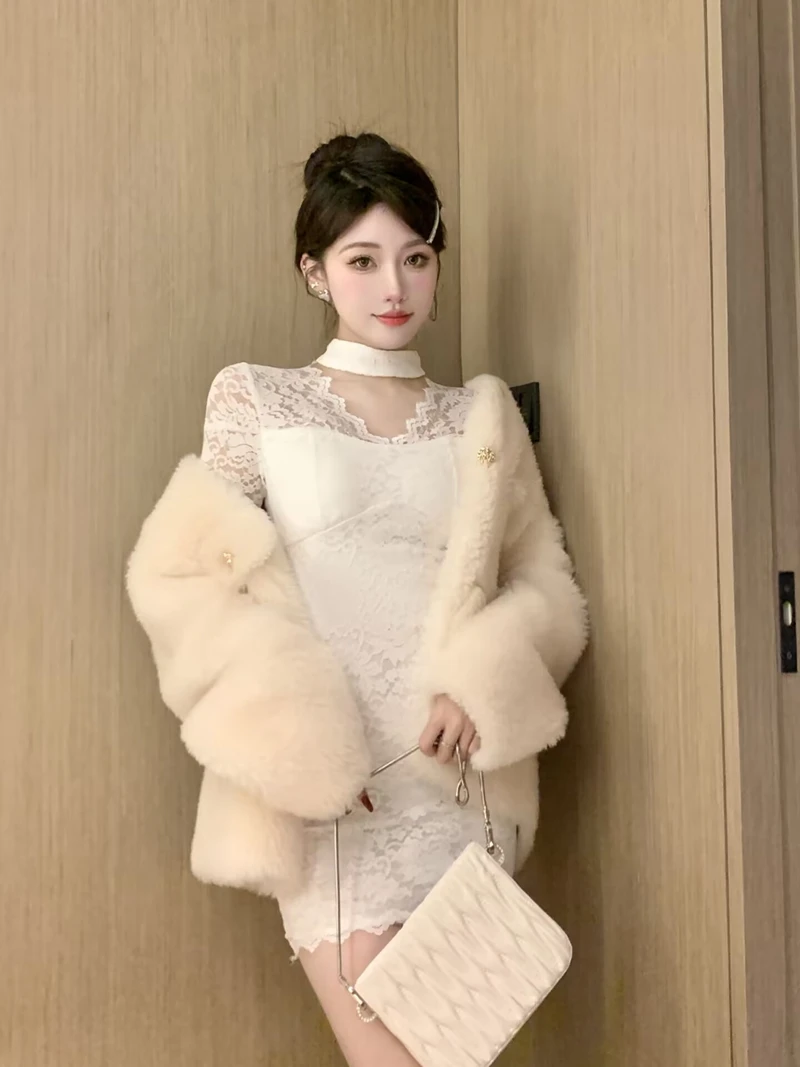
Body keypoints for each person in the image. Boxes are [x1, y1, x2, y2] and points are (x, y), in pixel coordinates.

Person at [126, 131, 588, 1067]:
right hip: (337, 801)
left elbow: (545, 583)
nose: (393, 287)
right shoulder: (256, 400)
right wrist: (304, 750)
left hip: (457, 787)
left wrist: (482, 686)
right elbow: (186, 584)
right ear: (315, 271)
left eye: (416, 258)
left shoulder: (481, 416)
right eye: (363, 260)